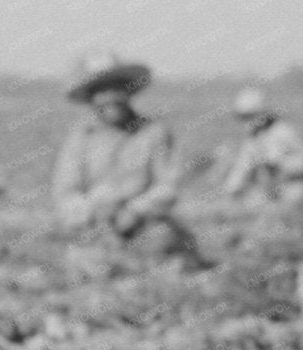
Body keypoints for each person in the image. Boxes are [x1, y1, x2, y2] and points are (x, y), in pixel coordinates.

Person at [51, 54, 199, 263]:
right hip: (94, 225)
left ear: (127, 91)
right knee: (85, 260)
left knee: (164, 243)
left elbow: (169, 185)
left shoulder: (154, 132)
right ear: (91, 97)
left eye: (115, 88)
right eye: (101, 91)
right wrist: (91, 214)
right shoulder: (80, 139)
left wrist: (136, 211)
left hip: (144, 224)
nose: (110, 97)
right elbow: (66, 192)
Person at [220, 87, 303, 207]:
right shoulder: (253, 138)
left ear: (262, 113)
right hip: (269, 189)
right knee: (251, 205)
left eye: (249, 116)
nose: (246, 122)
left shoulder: (283, 132)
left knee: (289, 204)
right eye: (243, 117)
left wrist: (280, 163)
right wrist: (231, 190)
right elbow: (242, 167)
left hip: (293, 186)